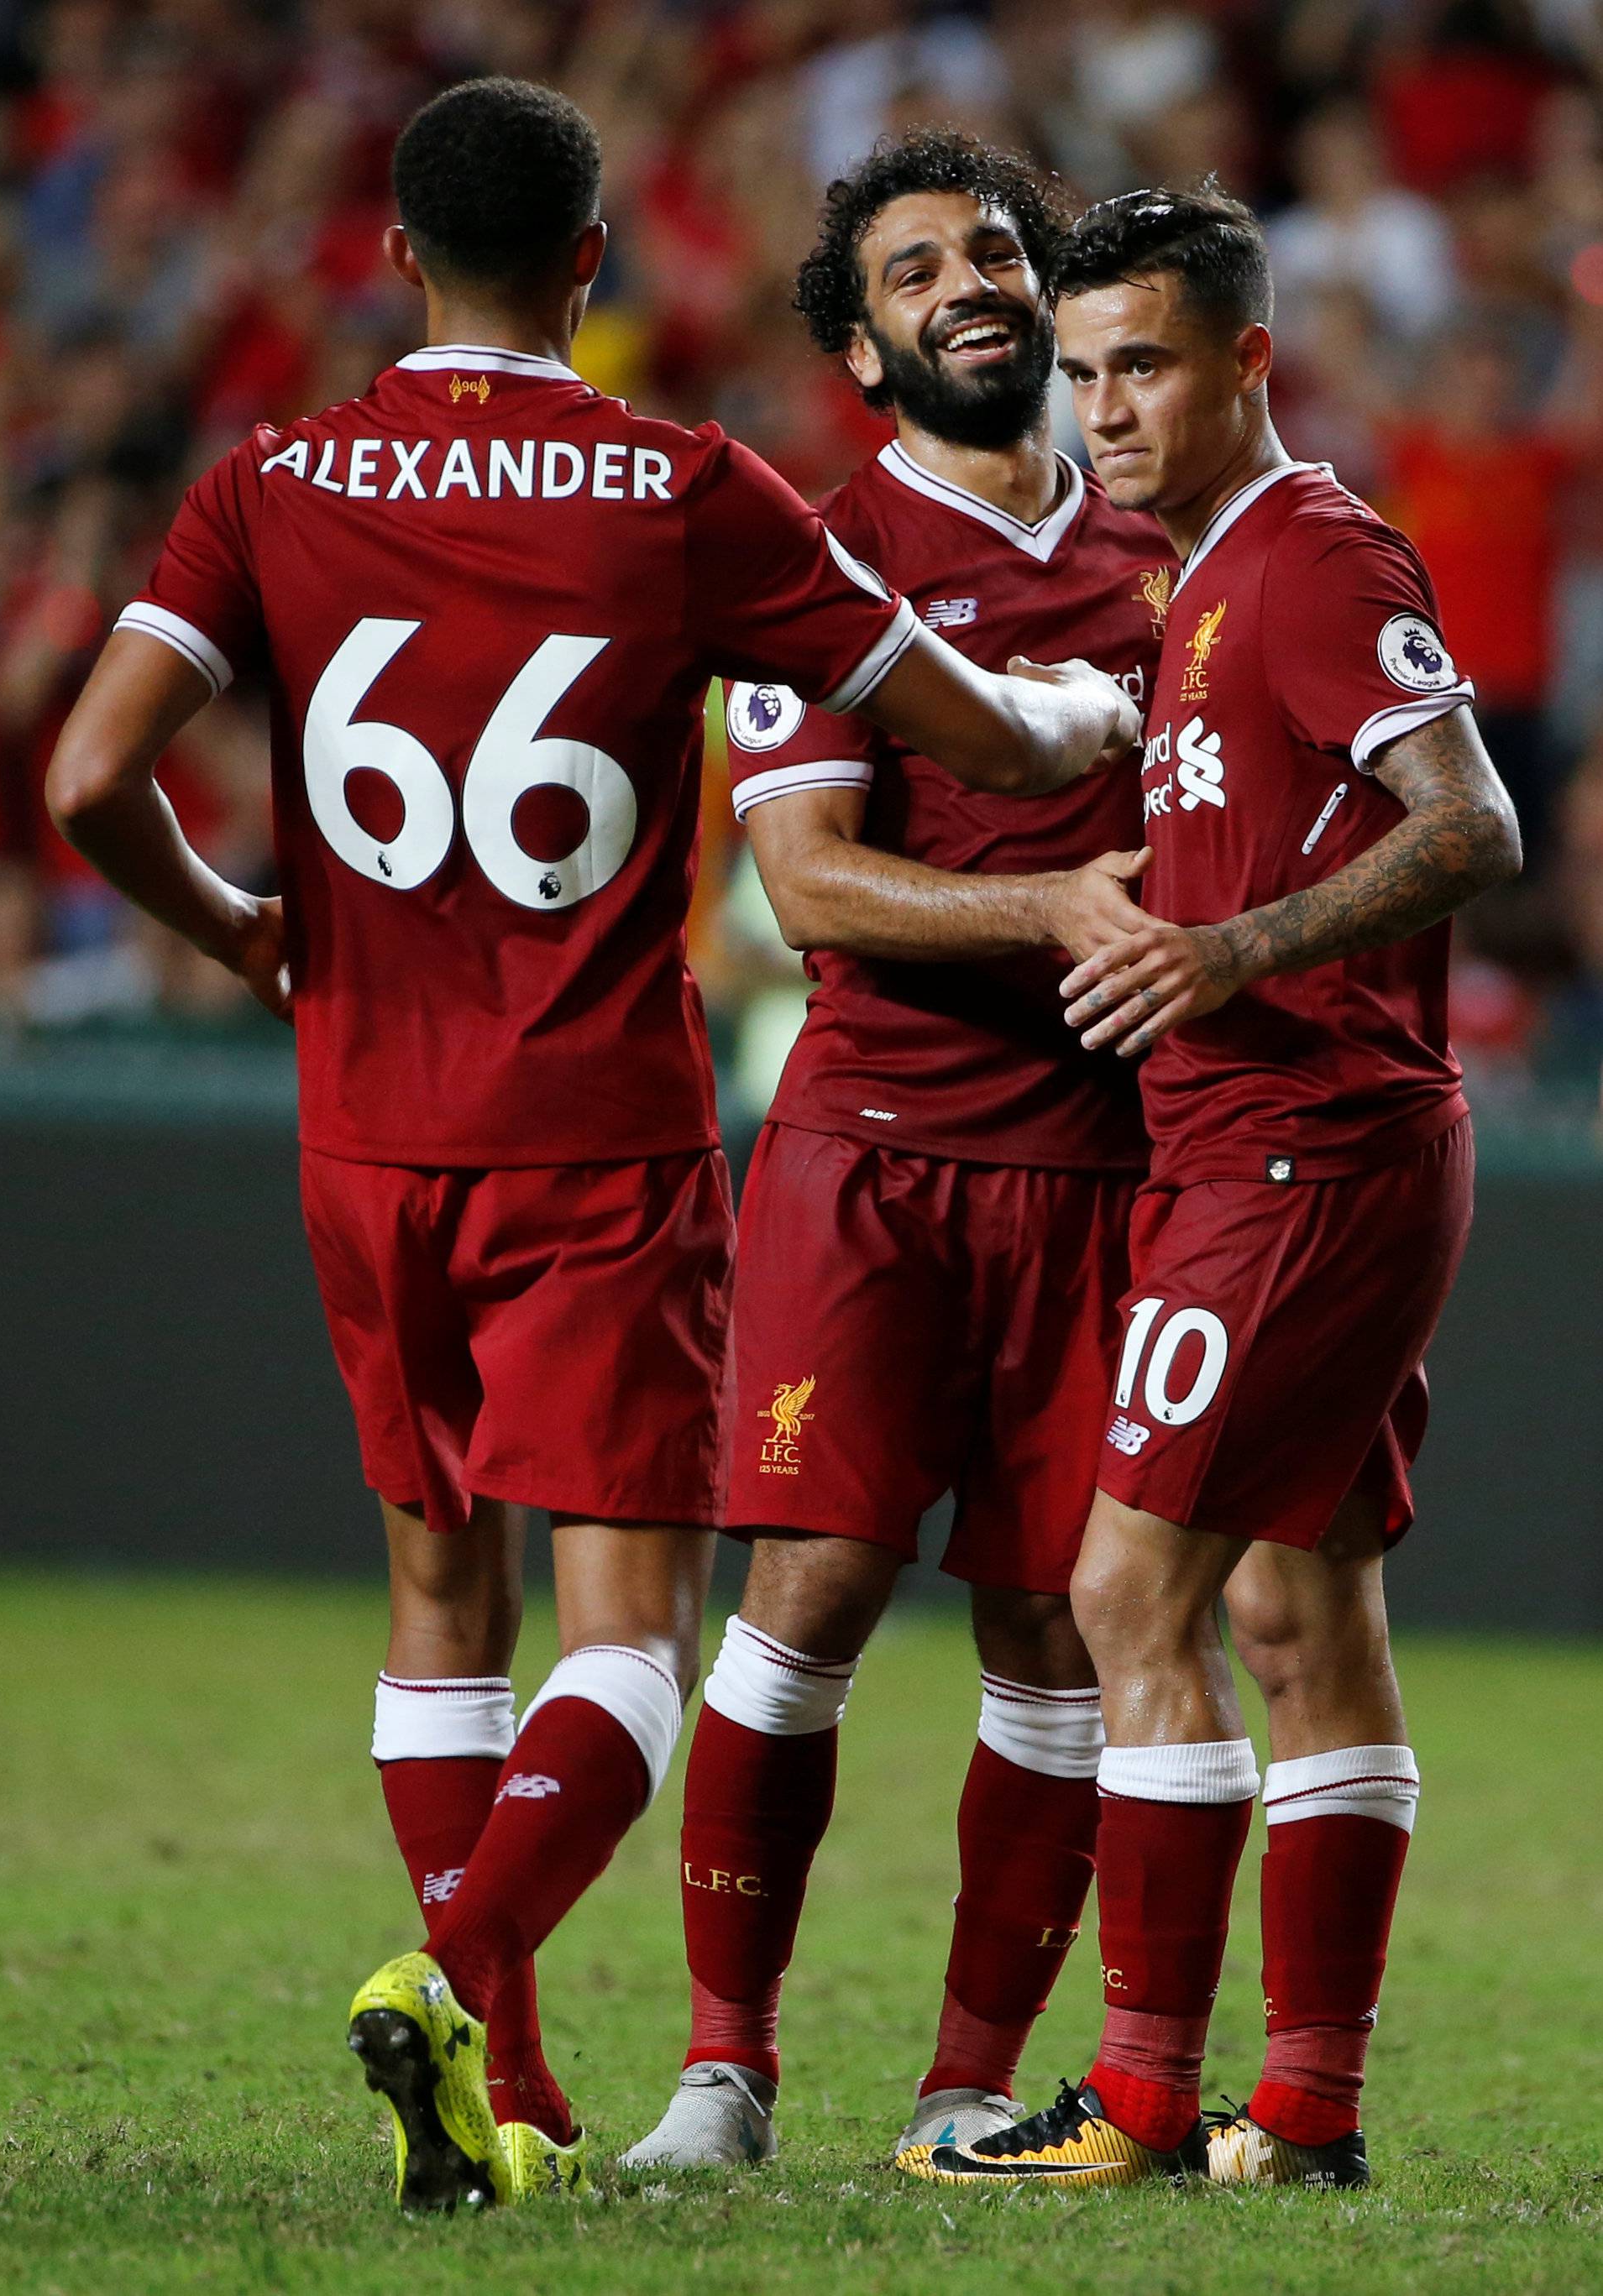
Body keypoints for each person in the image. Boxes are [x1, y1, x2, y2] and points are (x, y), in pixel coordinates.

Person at [45, 77, 1139, 2215]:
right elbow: (983, 739)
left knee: (436, 1606)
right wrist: (1089, 727)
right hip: (594, 1133)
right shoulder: (678, 485)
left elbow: (89, 782)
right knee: (626, 1636)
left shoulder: (272, 477)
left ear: (390, 260)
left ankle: (519, 2097)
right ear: (591, 265)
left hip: (361, 1127)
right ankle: (453, 1979)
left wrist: (245, 929)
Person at [923, 183, 1520, 2191]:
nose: (1104, 409)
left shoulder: (1308, 560)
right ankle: (1311, 2111)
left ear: (1246, 362)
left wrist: (1238, 950)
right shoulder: (1202, 583)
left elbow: (1474, 824)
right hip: (1298, 1147)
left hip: (1298, 1149)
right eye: (1082, 372)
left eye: (1146, 367)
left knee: (1123, 1591)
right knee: (1297, 1610)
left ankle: (1142, 2097)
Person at [622, 128, 1174, 2174]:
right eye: (919, 266)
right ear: (865, 350)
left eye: (998, 251)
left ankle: (964, 2086)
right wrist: (1058, 907)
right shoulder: (818, 555)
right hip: (877, 1152)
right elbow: (815, 893)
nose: (973, 283)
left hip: (1118, 1170)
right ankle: (723, 2070)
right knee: (818, 1584)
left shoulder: (1174, 543)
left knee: (1054, 1628)